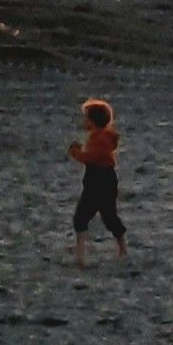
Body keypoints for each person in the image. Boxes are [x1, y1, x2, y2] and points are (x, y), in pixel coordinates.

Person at [68, 98, 127, 265]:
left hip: (99, 181)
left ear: (93, 120)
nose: (84, 121)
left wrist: (75, 152)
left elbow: (90, 158)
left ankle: (81, 256)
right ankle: (121, 248)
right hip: (103, 180)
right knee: (107, 216)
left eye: (86, 117)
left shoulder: (101, 139)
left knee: (84, 217)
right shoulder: (100, 137)